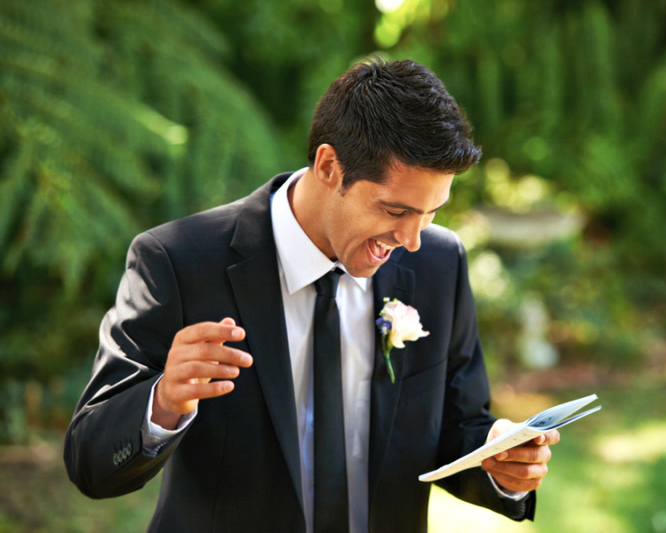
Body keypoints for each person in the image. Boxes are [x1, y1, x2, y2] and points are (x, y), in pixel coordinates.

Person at [64, 58, 559, 533]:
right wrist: (163, 402)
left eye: (429, 215)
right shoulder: (178, 262)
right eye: (394, 211)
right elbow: (89, 460)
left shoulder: (438, 263)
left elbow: (459, 426)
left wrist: (499, 459)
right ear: (328, 166)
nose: (411, 239)